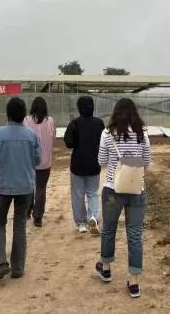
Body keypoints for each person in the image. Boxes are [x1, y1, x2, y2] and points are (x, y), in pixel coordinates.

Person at [95, 98, 151, 299]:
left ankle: (106, 268)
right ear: (134, 112)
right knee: (135, 234)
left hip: (113, 190)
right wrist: (132, 161)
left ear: (115, 112)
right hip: (137, 190)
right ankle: (133, 281)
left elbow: (101, 160)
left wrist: (118, 161)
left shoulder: (107, 133)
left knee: (109, 229)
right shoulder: (142, 132)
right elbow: (146, 161)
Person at [0, 97, 40, 281]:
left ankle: (0, 263)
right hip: (25, 186)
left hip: (2, 186)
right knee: (20, 225)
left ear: (7, 113)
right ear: (24, 115)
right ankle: (17, 267)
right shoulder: (32, 135)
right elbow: (38, 160)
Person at [64, 96, 105, 235]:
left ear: (79, 108)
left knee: (78, 195)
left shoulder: (74, 123)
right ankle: (93, 217)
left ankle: (81, 223)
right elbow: (104, 142)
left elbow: (68, 143)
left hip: (78, 165)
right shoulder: (99, 123)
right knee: (93, 193)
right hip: (94, 164)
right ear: (93, 107)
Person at [23, 96, 56, 227]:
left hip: (29, 160)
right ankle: (38, 217)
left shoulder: (26, 120)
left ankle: (27, 211)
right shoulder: (50, 121)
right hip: (45, 161)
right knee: (41, 189)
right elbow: (53, 137)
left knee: (29, 187)